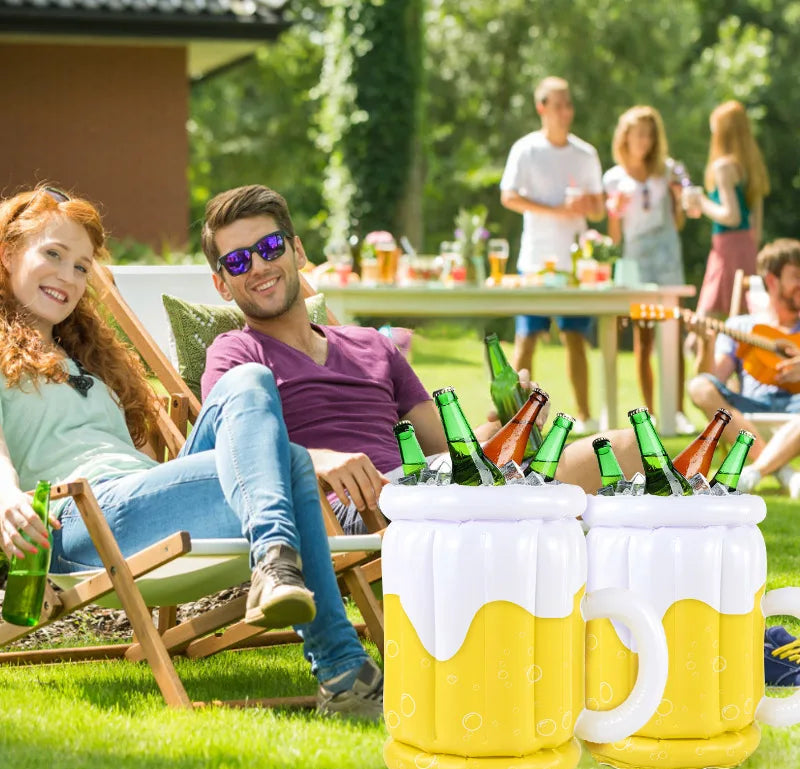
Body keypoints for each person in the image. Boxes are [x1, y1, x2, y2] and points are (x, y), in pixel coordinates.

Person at [0, 186, 382, 719]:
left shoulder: (84, 358)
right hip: (78, 520)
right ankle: (332, 653)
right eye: (54, 255)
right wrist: (5, 496)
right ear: (8, 253)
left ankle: (282, 575)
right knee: (292, 461)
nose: (68, 276)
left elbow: (140, 459)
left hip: (139, 504)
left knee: (249, 380)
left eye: (82, 267)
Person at [199, 184, 643, 536]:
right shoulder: (236, 354)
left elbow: (447, 449)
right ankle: (527, 536)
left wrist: (509, 424)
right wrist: (315, 461)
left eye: (269, 247)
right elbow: (229, 453)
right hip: (358, 510)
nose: (258, 266)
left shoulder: (371, 345)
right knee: (504, 500)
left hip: (431, 487)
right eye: (236, 261)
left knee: (624, 449)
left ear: (296, 251)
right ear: (222, 285)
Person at [499, 76, 605, 434]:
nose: (565, 112)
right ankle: (515, 417)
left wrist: (586, 204)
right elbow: (508, 196)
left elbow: (599, 209)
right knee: (526, 339)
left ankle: (586, 417)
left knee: (575, 339)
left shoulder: (585, 153)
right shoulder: (526, 149)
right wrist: (555, 209)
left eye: (568, 104)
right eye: (558, 105)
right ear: (541, 107)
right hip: (535, 261)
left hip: (575, 265)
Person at [603, 105, 695, 435]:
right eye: (639, 134)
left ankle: (678, 411)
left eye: (650, 134)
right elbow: (615, 236)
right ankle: (651, 414)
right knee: (643, 336)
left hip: (667, 255)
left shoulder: (668, 171)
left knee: (672, 333)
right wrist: (615, 211)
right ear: (625, 137)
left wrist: (680, 199)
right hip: (637, 259)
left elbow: (679, 220)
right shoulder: (613, 178)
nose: (645, 140)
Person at [687, 238, 800, 496]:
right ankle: (783, 472)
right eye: (796, 276)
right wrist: (706, 343)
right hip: (750, 407)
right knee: (698, 387)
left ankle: (755, 472)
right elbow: (713, 378)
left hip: (797, 406)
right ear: (772, 281)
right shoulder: (740, 326)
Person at [683, 100, 770, 374]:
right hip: (746, 248)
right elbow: (756, 224)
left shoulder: (723, 167)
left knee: (699, 327)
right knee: (742, 326)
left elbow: (731, 216)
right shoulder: (751, 165)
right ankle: (729, 380)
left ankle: (707, 383)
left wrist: (701, 202)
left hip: (727, 249)